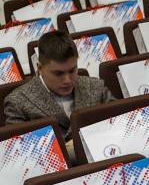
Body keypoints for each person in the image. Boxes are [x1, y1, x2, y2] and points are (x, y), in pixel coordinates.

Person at [3, 30, 114, 160]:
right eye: (58, 74)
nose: (67, 80)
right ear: (39, 68)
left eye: (72, 71)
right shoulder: (17, 102)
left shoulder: (95, 87)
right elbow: (21, 155)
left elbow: (120, 125)